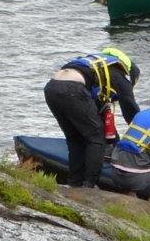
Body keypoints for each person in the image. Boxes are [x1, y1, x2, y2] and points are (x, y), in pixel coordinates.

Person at [42, 49, 138, 189]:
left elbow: (92, 109)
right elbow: (130, 109)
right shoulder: (120, 74)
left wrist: (115, 139)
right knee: (96, 138)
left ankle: (74, 182)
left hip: (52, 87)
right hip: (72, 89)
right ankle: (89, 186)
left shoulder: (96, 65)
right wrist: (140, 133)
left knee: (75, 137)